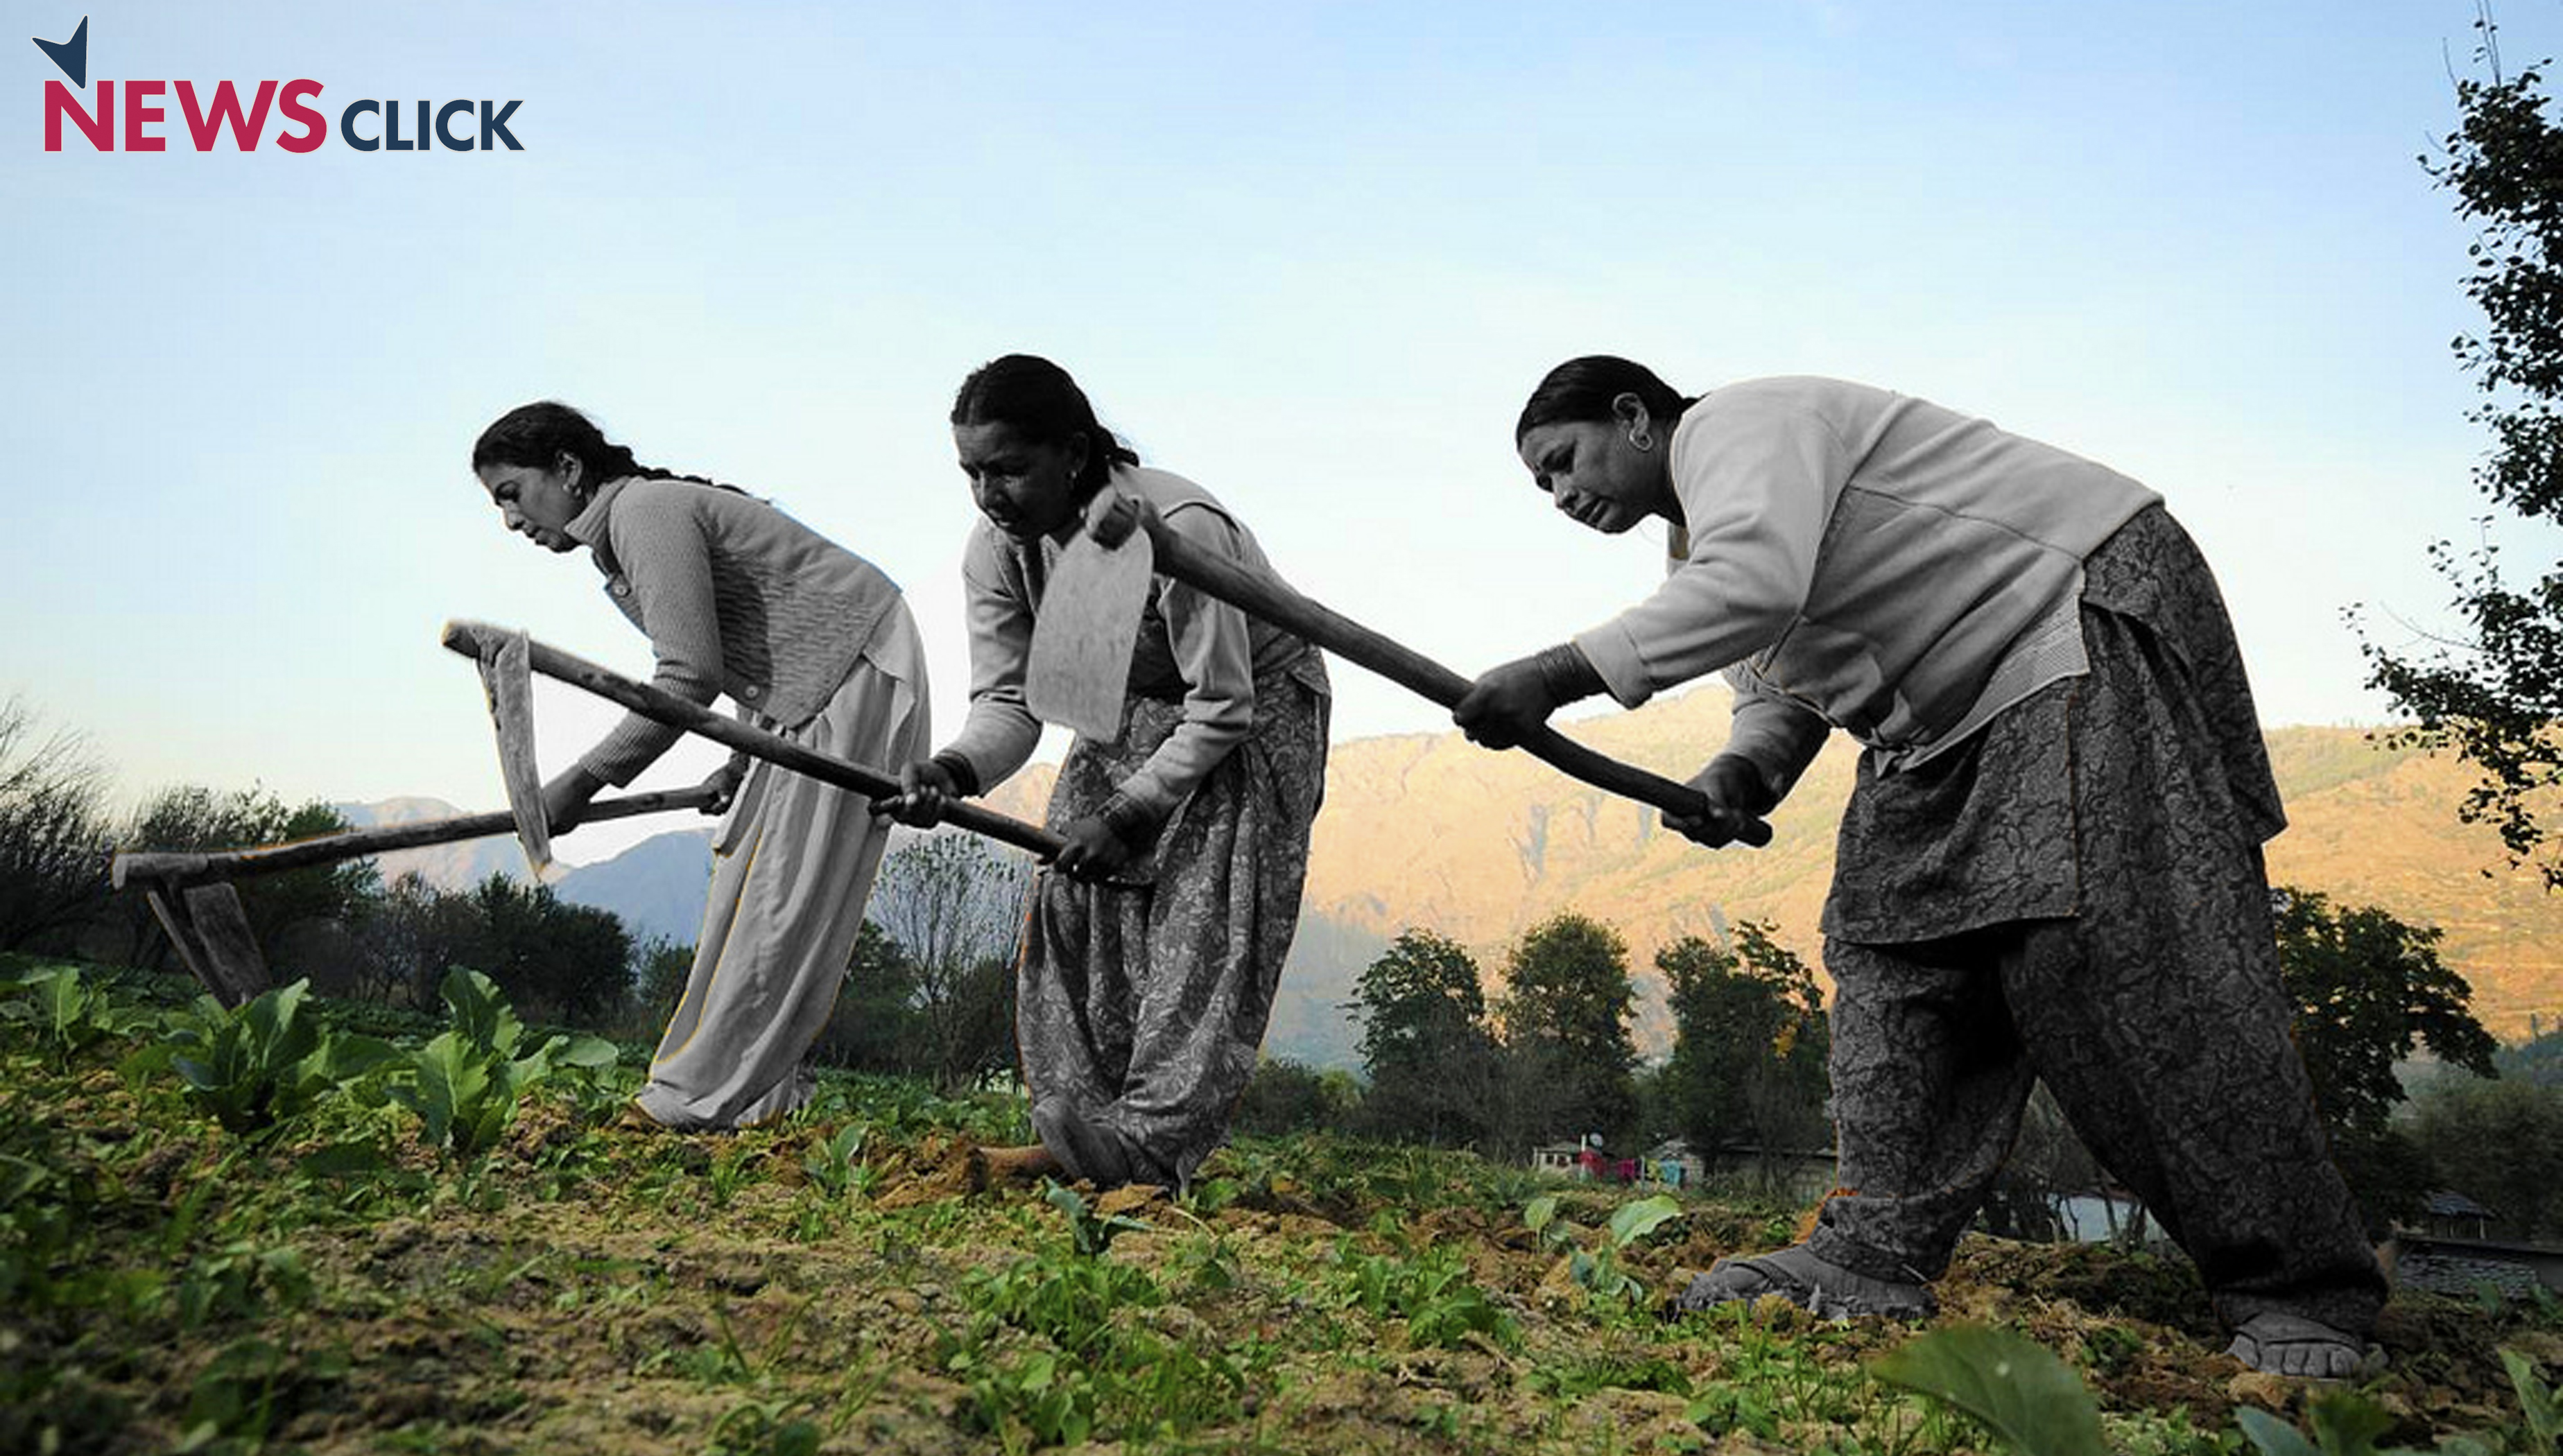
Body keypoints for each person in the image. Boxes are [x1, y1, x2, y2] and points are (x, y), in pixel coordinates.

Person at [1451, 360, 2387, 1379]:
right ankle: (1872, 1250)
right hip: (1934, 726)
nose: (1562, 495)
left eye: (1564, 460)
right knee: (1890, 956)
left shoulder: (1743, 428)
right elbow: (1781, 694)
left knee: (2117, 956)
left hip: (2066, 617)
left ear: (1634, 418)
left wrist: (1549, 677)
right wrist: (1735, 777)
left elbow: (1754, 586)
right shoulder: (1701, 561)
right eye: (1542, 486)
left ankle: (2301, 1288)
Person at [889, 354, 1330, 1190]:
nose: (990, 494)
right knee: (1072, 898)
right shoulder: (998, 552)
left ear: (1077, 454)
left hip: (1250, 708)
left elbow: (1222, 707)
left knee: (1204, 925)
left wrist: (1131, 814)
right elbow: (1012, 703)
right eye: (973, 473)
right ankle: (1083, 1131)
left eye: (1011, 469)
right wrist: (952, 770)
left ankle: (1148, 1146)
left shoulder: (1179, 525)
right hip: (1125, 704)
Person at [472, 401, 928, 1130]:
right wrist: (739, 760)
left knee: (780, 896)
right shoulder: (629, 528)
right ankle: (756, 1099)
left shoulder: (646, 514)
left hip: (853, 667)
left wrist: (585, 780)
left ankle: (690, 1100)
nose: (510, 521)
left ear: (566, 468)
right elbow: (756, 642)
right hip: (801, 693)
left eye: (512, 494)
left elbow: (688, 675)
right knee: (745, 881)